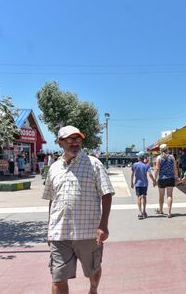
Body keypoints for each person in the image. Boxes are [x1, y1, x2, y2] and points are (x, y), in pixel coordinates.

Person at [42, 125, 115, 294]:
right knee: (58, 276)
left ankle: (93, 289)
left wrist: (103, 225)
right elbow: (52, 200)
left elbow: (107, 194)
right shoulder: (53, 168)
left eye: (78, 139)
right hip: (60, 233)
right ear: (60, 143)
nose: (75, 143)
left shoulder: (94, 164)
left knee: (93, 270)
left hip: (88, 232)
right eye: (70, 139)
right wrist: (49, 229)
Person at [153, 144, 179, 218]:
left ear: (160, 150)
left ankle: (161, 210)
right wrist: (176, 177)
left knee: (161, 196)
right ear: (167, 149)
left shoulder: (158, 158)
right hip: (171, 178)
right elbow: (175, 168)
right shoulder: (172, 157)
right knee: (169, 195)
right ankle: (169, 212)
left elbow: (157, 170)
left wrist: (155, 180)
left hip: (162, 179)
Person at [131, 151, 153, 219]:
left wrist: (131, 182)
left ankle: (140, 212)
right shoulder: (147, 165)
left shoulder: (135, 165)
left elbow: (132, 174)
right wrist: (154, 181)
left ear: (139, 157)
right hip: (144, 183)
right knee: (144, 196)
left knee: (138, 197)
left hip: (137, 183)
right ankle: (144, 211)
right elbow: (150, 174)